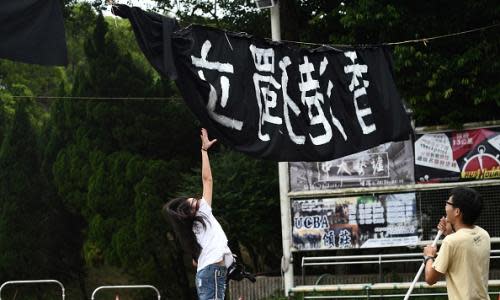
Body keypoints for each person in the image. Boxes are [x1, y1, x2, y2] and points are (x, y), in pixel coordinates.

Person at [163, 128, 233, 300]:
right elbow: (207, 180)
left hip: (205, 274)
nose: (198, 200)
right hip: (212, 273)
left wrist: (226, 254)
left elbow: (196, 261)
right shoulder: (203, 211)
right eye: (195, 202)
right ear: (193, 212)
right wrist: (204, 151)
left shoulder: (192, 232)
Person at [423, 187, 490, 299]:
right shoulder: (483, 234)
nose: (445, 206)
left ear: (457, 211)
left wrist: (428, 256)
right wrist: (450, 233)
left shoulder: (451, 242)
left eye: (448, 203)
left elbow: (430, 278)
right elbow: (462, 248)